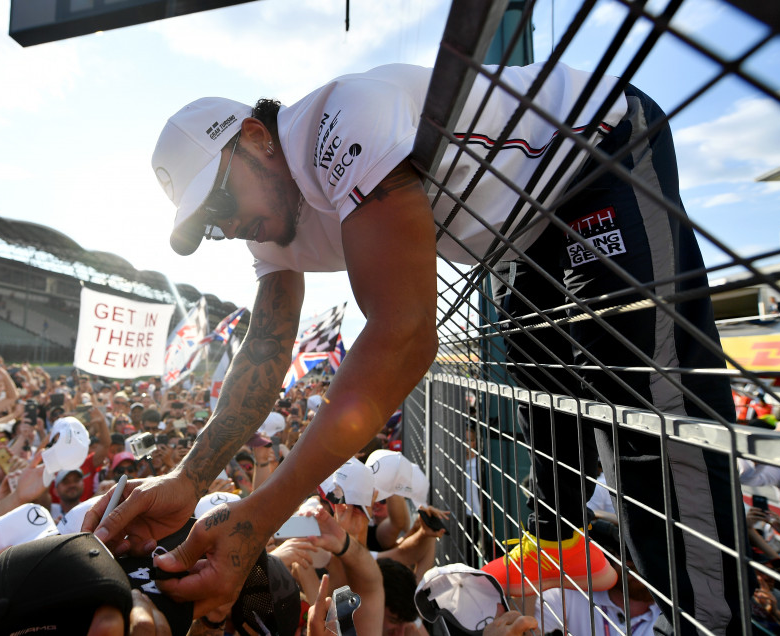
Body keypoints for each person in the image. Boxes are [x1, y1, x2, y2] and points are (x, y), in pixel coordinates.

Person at [84, 61, 741, 633]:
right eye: (208, 226)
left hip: (597, 146)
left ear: (256, 138)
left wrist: (260, 516)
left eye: (220, 200)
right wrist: (190, 477)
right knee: (550, 409)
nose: (226, 226)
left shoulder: (341, 123)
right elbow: (264, 353)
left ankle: (711, 618)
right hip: (519, 226)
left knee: (639, 382)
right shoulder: (269, 223)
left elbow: (403, 335)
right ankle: (584, 556)